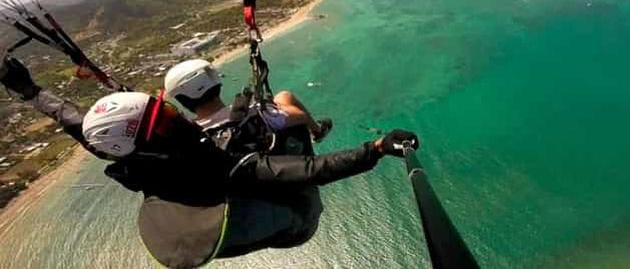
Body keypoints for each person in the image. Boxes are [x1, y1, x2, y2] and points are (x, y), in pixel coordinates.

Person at [0, 56, 419, 269]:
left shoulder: (132, 158)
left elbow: (75, 121)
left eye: (164, 108)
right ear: (153, 137)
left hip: (206, 227)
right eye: (162, 118)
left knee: (283, 114)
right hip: (293, 222)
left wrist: (30, 91)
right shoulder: (217, 160)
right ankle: (311, 133)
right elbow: (310, 171)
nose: (170, 115)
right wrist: (377, 147)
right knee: (287, 120)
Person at [164, 59, 332, 143]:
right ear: (217, 84)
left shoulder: (191, 135)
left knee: (283, 96)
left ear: (182, 99)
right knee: (285, 96)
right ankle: (316, 131)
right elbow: (300, 115)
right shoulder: (252, 114)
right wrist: (274, 107)